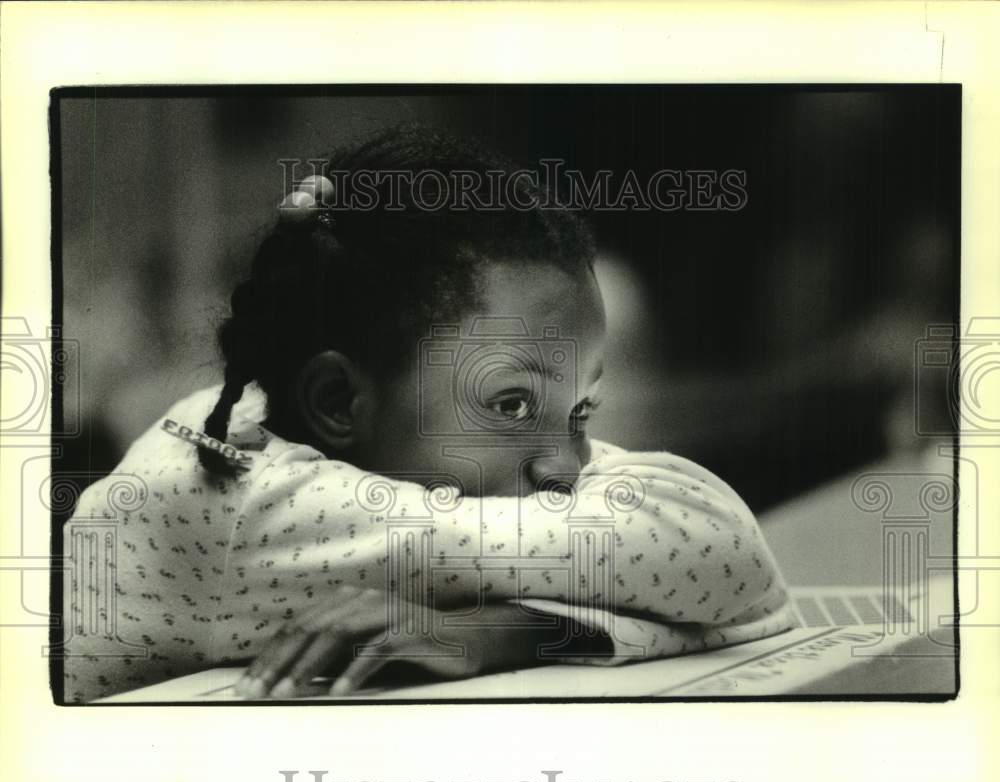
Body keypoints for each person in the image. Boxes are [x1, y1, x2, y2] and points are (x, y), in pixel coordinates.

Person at [60, 126, 793, 703]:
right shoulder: (245, 504)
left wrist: (499, 631)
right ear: (340, 402)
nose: (566, 470)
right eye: (510, 404)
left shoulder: (290, 427)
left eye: (578, 411)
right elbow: (734, 571)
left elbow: (717, 557)